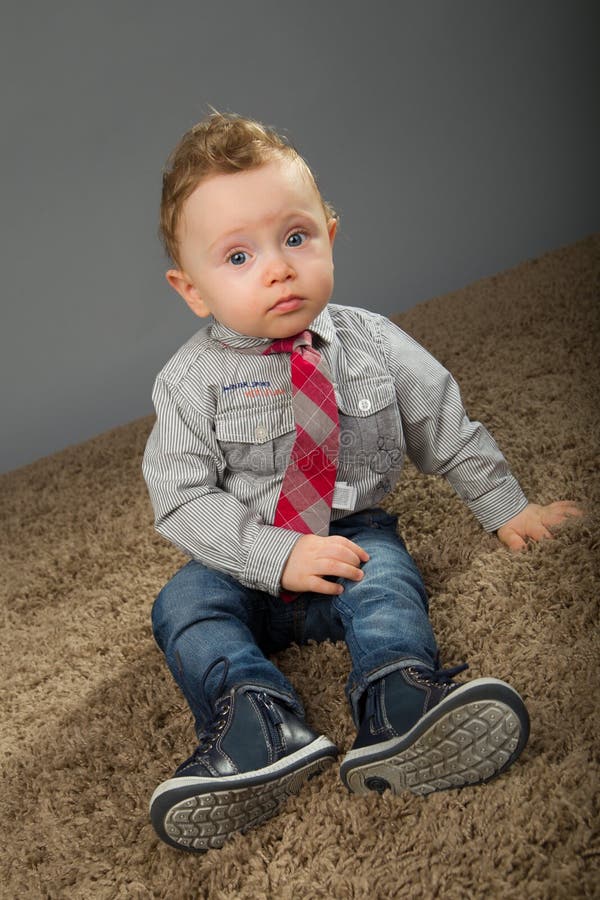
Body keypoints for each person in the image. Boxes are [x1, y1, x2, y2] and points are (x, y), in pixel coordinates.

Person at [142, 112, 581, 852]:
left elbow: (444, 423)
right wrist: (274, 556)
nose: (279, 267)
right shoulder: (189, 383)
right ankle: (256, 720)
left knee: (387, 584)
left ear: (330, 236)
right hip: (241, 558)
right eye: (239, 256)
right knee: (182, 605)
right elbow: (182, 498)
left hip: (350, 535)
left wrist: (508, 506)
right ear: (192, 289)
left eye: (295, 238)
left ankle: (400, 699)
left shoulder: (373, 343)